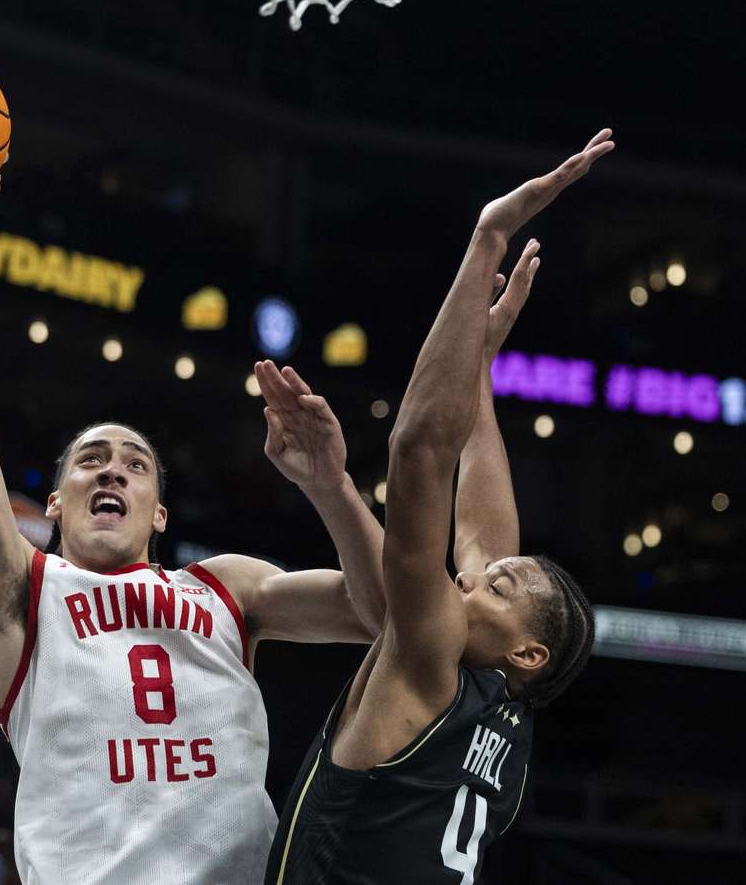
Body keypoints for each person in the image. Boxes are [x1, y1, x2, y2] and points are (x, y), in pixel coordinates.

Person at [0, 176, 384, 885]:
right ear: (53, 504)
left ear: (159, 512)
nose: (112, 470)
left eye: (135, 465)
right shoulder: (22, 589)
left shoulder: (226, 588)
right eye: (91, 460)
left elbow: (389, 613)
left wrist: (331, 487)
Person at [263, 130, 613, 885]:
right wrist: (479, 365)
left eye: (497, 587)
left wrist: (488, 237)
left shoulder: (430, 663)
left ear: (527, 653)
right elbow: (485, 541)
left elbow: (420, 449)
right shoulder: (506, 722)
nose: (470, 575)